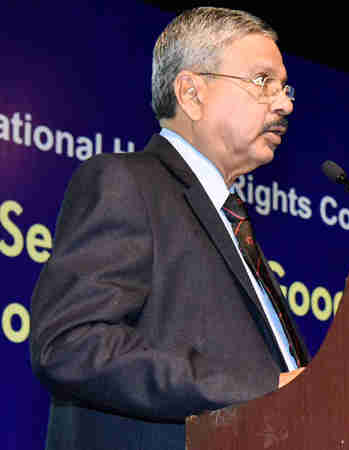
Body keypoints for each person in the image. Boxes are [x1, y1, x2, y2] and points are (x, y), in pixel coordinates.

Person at [29, 7, 308, 450]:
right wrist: (266, 386)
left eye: (284, 87)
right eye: (262, 82)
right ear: (192, 94)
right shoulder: (128, 183)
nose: (284, 103)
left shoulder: (231, 220)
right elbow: (71, 343)